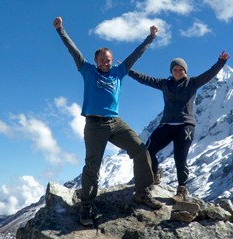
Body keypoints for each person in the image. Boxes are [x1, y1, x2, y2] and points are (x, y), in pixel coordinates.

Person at [53, 16, 163, 227]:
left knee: (141, 150)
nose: (105, 61)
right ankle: (86, 206)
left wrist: (150, 37)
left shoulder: (119, 72)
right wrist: (60, 30)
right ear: (96, 61)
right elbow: (73, 50)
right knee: (92, 166)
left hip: (115, 122)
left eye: (108, 58)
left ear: (112, 60)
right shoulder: (87, 70)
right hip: (94, 124)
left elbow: (136, 55)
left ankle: (142, 193)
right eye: (102, 59)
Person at [128, 50, 230, 202]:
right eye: (175, 69)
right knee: (148, 150)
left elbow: (209, 74)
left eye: (180, 69)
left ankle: (182, 190)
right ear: (171, 71)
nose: (178, 72)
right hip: (167, 124)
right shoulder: (165, 84)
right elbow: (145, 79)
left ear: (185, 71)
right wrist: (128, 71)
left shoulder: (193, 83)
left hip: (185, 126)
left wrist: (220, 62)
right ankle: (155, 175)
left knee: (180, 158)